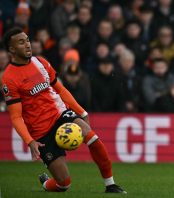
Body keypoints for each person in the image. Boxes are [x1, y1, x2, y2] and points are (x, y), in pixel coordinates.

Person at [1, 28, 126, 194]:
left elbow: (60, 89)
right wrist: (30, 141)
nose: (28, 44)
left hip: (59, 114)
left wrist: (82, 112)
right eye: (21, 42)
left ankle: (110, 185)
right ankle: (47, 183)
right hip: (40, 130)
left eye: (28, 40)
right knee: (64, 184)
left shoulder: (41, 62)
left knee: (92, 137)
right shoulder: (9, 78)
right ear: (11, 49)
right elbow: (16, 116)